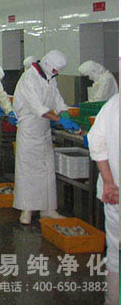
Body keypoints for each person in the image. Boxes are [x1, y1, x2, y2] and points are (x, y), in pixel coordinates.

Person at [13, 50, 77, 225]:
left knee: (47, 169)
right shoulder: (29, 78)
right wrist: (59, 120)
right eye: (55, 70)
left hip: (43, 129)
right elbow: (37, 108)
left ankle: (48, 209)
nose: (56, 73)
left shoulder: (50, 78)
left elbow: (57, 99)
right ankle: (26, 209)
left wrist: (64, 112)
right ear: (48, 64)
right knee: (28, 170)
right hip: (29, 129)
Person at [86, 94, 119, 305]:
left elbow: (95, 141)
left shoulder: (114, 103)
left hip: (114, 194)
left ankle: (112, 299)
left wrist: (109, 182)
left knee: (116, 251)